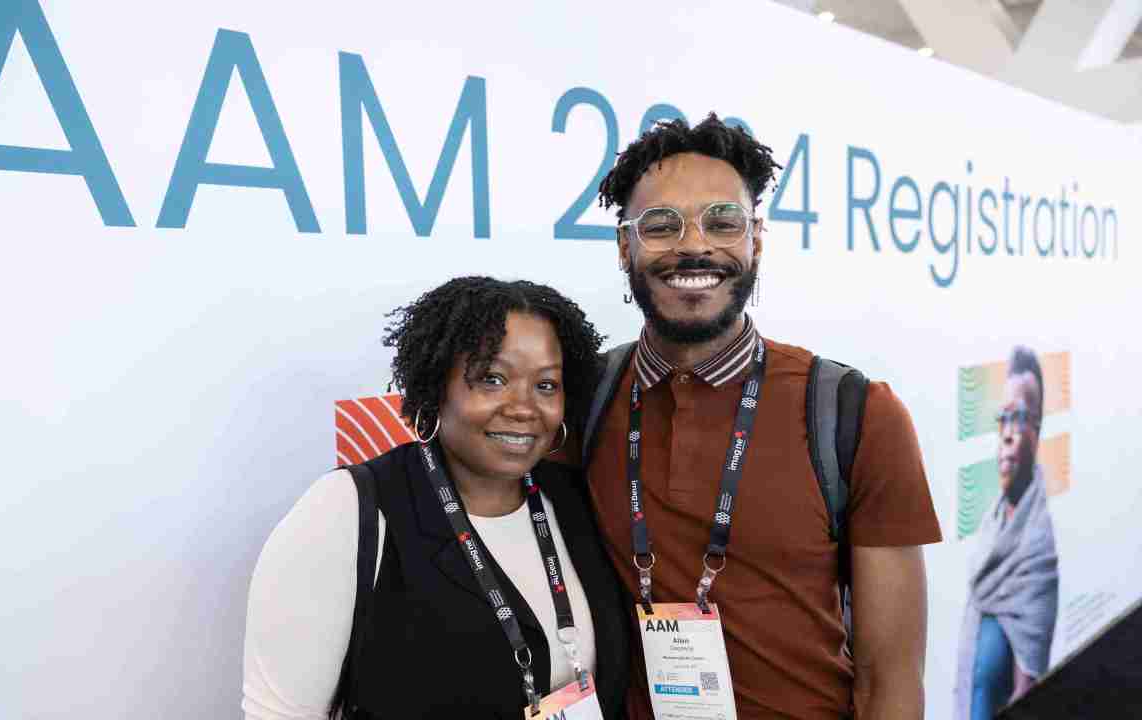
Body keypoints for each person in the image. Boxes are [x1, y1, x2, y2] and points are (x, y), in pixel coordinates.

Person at [577, 114, 943, 719]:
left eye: (723, 222)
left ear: (757, 240)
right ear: (626, 247)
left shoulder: (856, 413)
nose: (694, 245)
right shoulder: (584, 399)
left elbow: (892, 680)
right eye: (661, 225)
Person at [242, 277, 631, 719]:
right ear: (436, 385)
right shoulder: (347, 510)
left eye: (546, 385)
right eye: (492, 378)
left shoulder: (575, 499)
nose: (524, 407)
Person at [954, 346, 1058, 720]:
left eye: (1021, 418)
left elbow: (1027, 696)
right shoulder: (991, 528)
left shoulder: (1037, 553)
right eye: (1004, 419)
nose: (1009, 435)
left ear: (1039, 430)